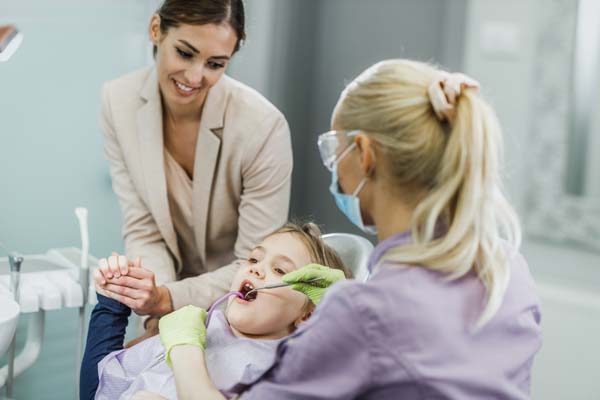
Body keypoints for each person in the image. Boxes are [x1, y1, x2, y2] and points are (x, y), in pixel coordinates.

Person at [158, 59, 542, 399]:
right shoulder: (509, 268)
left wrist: (185, 350)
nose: (333, 165)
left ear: (365, 154)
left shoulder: (363, 314)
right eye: (258, 259)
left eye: (333, 149)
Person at [99, 0, 293, 344]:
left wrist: (168, 300)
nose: (194, 77)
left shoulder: (263, 127)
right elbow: (144, 228)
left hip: (240, 309)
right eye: (185, 53)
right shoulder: (118, 101)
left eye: (215, 64)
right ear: (156, 30)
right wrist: (160, 311)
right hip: (163, 304)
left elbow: (255, 264)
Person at [79, 223, 350, 400]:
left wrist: (185, 349)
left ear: (308, 314)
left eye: (280, 270)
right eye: (254, 259)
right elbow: (98, 389)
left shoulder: (283, 374)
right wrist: (112, 302)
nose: (255, 268)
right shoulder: (201, 325)